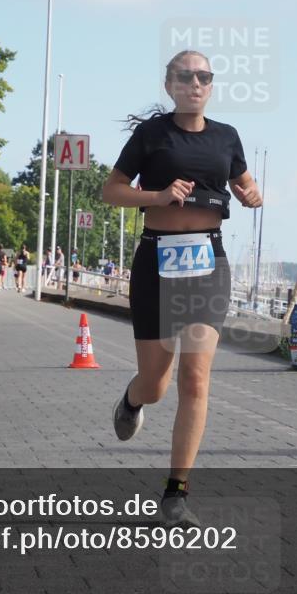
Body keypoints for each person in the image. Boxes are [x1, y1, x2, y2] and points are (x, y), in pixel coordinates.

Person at [102, 50, 262, 526]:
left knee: (195, 379)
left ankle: (176, 493)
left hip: (207, 262)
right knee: (156, 383)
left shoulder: (226, 137)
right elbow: (111, 191)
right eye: (185, 76)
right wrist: (157, 195)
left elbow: (247, 186)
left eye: (204, 76)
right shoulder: (151, 136)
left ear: (211, 86)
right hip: (156, 259)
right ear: (169, 84)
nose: (195, 83)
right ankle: (132, 400)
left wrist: (252, 195)